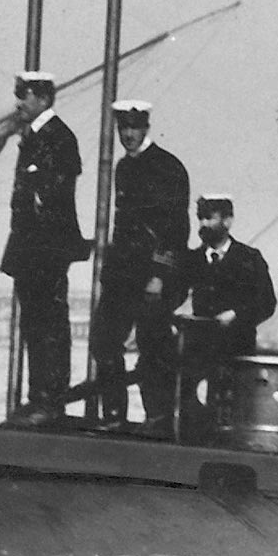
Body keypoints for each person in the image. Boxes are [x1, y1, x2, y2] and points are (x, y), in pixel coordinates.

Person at [89, 100, 190, 434]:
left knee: (153, 347)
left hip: (153, 277)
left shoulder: (168, 167)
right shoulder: (124, 167)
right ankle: (114, 415)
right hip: (123, 274)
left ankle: (158, 419)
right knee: (104, 342)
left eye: (134, 128)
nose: (128, 135)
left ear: (146, 127)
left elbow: (176, 229)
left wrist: (159, 276)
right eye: (123, 129)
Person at [0, 71, 86, 423]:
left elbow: (55, 201)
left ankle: (50, 400)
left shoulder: (58, 138)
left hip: (46, 249)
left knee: (49, 323)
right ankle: (39, 397)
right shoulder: (35, 137)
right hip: (30, 249)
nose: (20, 101)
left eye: (26, 95)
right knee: (34, 323)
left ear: (44, 99)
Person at [178, 193, 276, 431]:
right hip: (198, 349)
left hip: (237, 349)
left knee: (232, 413)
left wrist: (236, 314)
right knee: (192, 409)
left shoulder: (249, 258)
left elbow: (266, 303)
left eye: (209, 218)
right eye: (200, 218)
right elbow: (176, 295)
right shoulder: (192, 260)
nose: (203, 224)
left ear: (228, 221)